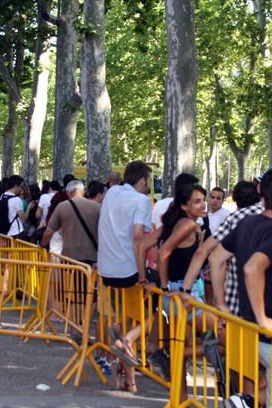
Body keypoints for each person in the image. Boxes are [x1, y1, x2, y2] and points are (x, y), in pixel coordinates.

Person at [212, 169, 272, 403]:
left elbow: (216, 259)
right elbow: (252, 269)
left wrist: (222, 304)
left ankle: (245, 401)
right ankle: (245, 401)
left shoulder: (248, 222)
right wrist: (263, 317)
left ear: (262, 197)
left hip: (255, 327)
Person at [156, 183, 223, 403]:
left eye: (204, 199)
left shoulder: (190, 224)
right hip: (184, 296)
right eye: (198, 201)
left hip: (187, 293)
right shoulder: (186, 224)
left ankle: (181, 395)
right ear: (185, 205)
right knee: (227, 336)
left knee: (187, 344)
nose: (204, 204)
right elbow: (163, 251)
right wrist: (166, 287)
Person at [97, 160, 153, 393]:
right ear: (142, 180)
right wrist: (143, 277)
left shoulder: (111, 193)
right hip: (129, 272)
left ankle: (127, 380)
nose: (149, 185)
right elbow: (138, 238)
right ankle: (125, 336)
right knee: (150, 317)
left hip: (106, 270)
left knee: (125, 319)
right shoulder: (142, 201)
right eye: (149, 180)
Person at [42, 180, 100, 265]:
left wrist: (42, 245)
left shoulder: (61, 207)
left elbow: (49, 232)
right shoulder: (97, 207)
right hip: (91, 256)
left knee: (70, 278)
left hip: (69, 257)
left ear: (67, 193)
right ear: (83, 192)